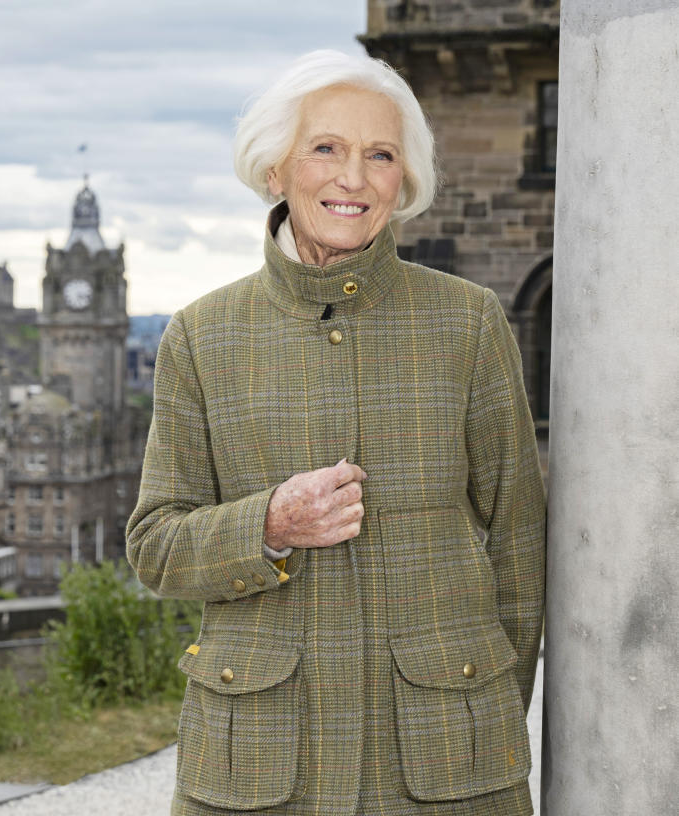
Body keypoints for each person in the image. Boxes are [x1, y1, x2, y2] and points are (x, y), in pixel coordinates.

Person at [125, 49, 545, 816]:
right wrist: (269, 525)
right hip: (254, 769)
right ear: (275, 170)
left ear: (402, 182)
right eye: (326, 148)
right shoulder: (200, 336)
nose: (353, 178)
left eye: (379, 155)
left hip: (449, 768)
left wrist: (479, 714)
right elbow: (155, 546)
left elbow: (519, 548)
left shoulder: (470, 323)